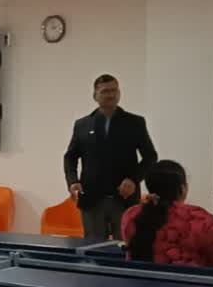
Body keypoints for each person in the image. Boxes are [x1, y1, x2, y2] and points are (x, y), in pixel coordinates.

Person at [63, 74, 158, 240]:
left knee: (125, 246)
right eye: (105, 91)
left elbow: (150, 157)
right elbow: (70, 157)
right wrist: (73, 181)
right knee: (93, 248)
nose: (111, 95)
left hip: (124, 199)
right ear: (95, 96)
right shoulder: (82, 124)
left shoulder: (135, 122)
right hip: (92, 199)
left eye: (114, 90)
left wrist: (133, 179)